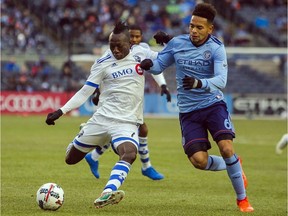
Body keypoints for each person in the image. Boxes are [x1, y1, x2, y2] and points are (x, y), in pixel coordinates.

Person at [140, 3, 254, 213]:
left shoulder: (217, 48)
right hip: (188, 112)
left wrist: (199, 83)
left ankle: (242, 200)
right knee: (199, 161)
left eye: (199, 27)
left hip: (213, 105)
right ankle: (234, 165)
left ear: (210, 29)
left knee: (227, 148)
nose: (194, 30)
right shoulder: (177, 43)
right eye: (192, 26)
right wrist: (149, 64)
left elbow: (221, 80)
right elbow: (159, 65)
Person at [45, 21, 158, 208]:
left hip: (127, 122)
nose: (115, 50)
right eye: (111, 45)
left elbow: (165, 60)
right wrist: (61, 111)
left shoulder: (142, 53)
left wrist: (155, 61)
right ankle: (84, 133)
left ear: (130, 44)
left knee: (129, 153)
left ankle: (107, 192)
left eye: (119, 45)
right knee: (70, 160)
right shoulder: (102, 64)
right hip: (101, 119)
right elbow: (85, 91)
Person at [84, 24, 171, 180]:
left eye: (137, 36)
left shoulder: (141, 50)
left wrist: (163, 85)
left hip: (131, 100)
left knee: (133, 131)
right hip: (114, 99)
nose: (134, 39)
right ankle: (146, 167)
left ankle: (94, 156)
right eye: (131, 36)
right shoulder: (115, 50)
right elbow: (101, 71)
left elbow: (155, 67)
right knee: (133, 130)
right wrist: (97, 91)